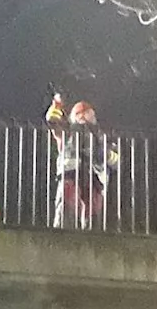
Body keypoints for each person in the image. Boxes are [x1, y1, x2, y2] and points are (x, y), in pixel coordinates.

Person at [45, 93, 119, 229]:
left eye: (87, 113)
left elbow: (116, 160)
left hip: (94, 174)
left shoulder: (101, 135)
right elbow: (52, 120)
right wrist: (56, 104)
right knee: (67, 205)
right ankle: (62, 234)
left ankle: (93, 237)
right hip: (72, 172)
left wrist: (104, 154)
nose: (84, 116)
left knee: (93, 210)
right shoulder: (67, 130)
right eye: (81, 114)